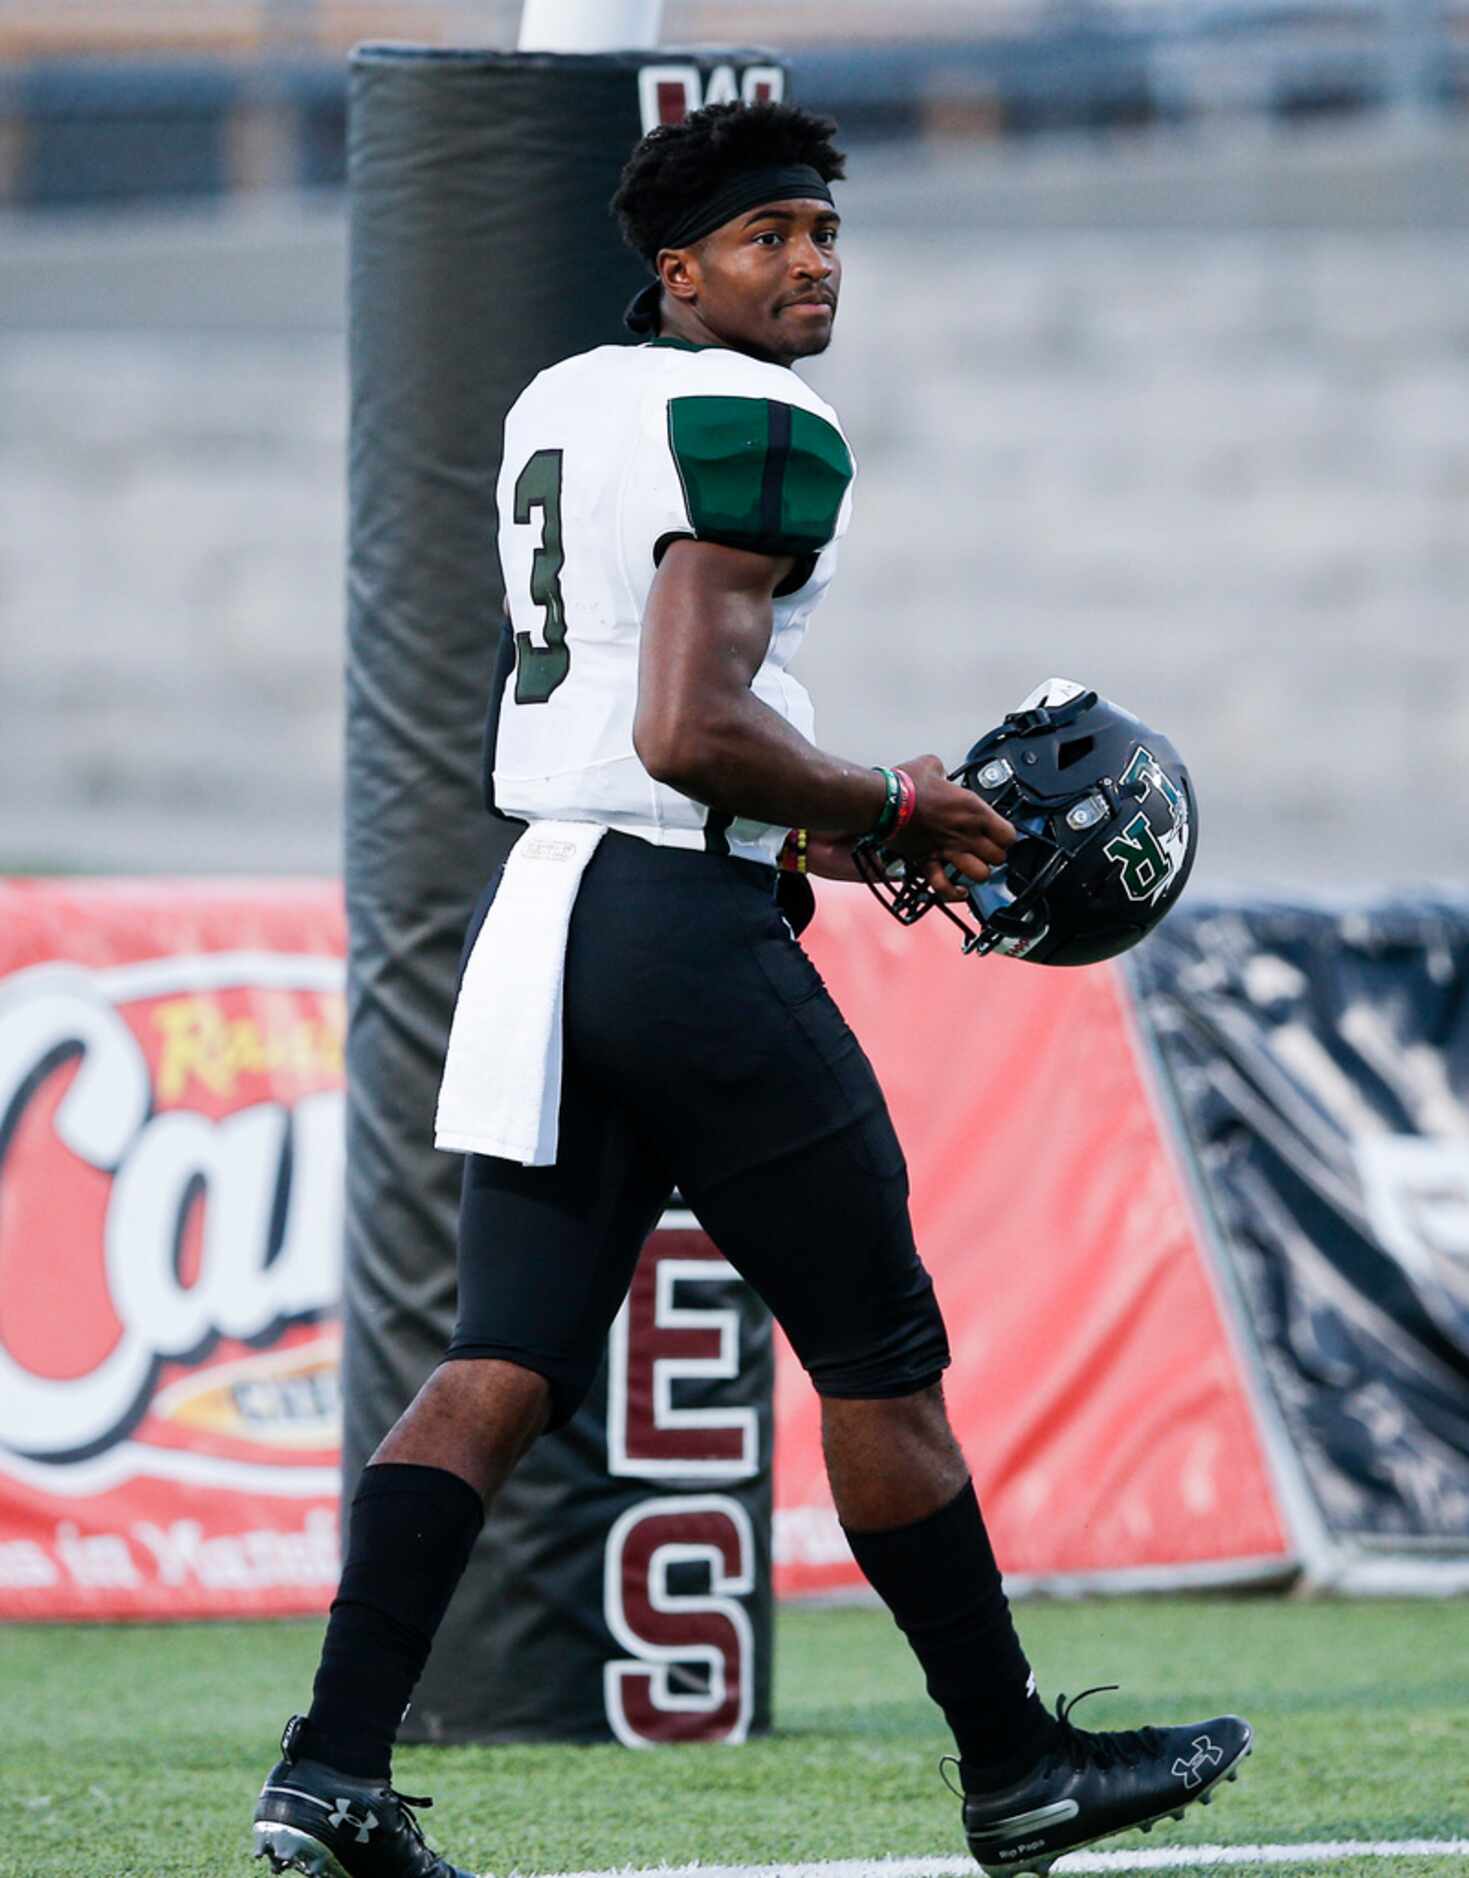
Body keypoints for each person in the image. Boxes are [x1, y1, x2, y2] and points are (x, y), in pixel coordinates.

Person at [252, 101, 1250, 1878]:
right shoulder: (764, 421)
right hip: (676, 938)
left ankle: (327, 1769)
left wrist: (813, 836)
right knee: (881, 1356)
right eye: (769, 238)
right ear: (677, 266)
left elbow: (626, 729)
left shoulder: (563, 400)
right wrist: (883, 803)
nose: (808, 267)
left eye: (824, 236)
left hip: (555, 907)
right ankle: (1015, 1768)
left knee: (495, 1359)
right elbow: (685, 725)